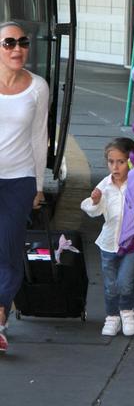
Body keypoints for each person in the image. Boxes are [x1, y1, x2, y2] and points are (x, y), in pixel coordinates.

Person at [0, 21, 49, 353]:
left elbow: (38, 138)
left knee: (8, 251)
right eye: (8, 43)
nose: (17, 49)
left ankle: (0, 315)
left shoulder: (38, 87)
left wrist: (39, 185)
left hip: (19, 180)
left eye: (22, 42)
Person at [81, 137, 134, 337]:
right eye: (111, 162)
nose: (115, 167)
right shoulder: (105, 185)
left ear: (131, 161)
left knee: (126, 281)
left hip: (131, 243)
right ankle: (112, 317)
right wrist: (95, 201)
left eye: (121, 162)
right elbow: (93, 211)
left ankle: (127, 312)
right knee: (110, 284)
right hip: (107, 243)